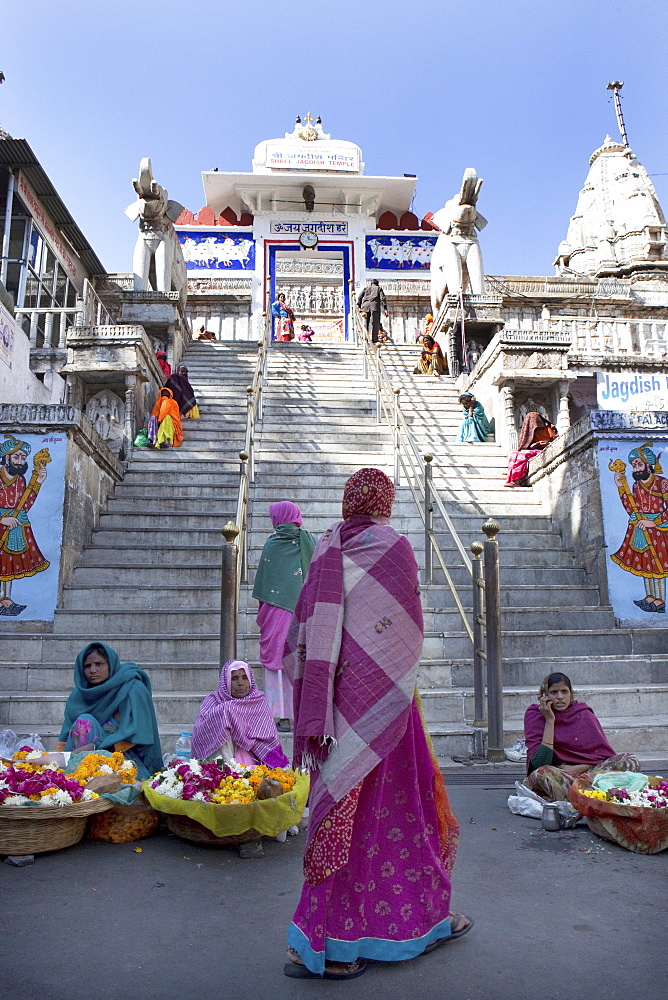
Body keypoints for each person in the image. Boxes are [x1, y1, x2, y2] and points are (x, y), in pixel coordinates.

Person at [283, 468, 470, 981]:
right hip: (387, 711)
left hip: (334, 717)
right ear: (385, 503)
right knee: (407, 815)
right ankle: (420, 922)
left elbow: (301, 634)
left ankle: (324, 943)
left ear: (347, 503)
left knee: (340, 818)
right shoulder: (395, 548)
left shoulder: (323, 547)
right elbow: (406, 629)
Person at [524, 672, 639, 801]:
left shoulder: (582, 713)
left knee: (629, 760)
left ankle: (579, 794)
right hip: (558, 774)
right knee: (542, 774)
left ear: (571, 694)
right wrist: (550, 720)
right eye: (554, 692)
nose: (560, 697)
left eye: (564, 691)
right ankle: (594, 795)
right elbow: (540, 764)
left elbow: (603, 756)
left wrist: (579, 768)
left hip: (587, 772)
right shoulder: (535, 715)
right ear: (545, 695)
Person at [56, 642, 163, 781]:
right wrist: (56, 762)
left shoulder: (131, 686)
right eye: (87, 666)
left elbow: (138, 732)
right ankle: (79, 779)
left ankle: (85, 779)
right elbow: (66, 734)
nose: (92, 670)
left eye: (98, 664)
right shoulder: (79, 695)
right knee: (84, 720)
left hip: (123, 757)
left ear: (110, 665)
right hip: (84, 756)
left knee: (86, 721)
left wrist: (96, 746)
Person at [252, 501, 316, 730]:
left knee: (275, 664)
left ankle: (276, 715)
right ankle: (299, 714)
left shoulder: (272, 544)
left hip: (273, 613)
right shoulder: (308, 541)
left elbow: (264, 584)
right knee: (295, 661)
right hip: (299, 612)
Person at [191, 659, 290, 768]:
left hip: (254, 758)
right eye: (234, 679)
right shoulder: (213, 700)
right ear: (226, 681)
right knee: (222, 717)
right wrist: (227, 711)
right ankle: (223, 770)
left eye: (244, 678)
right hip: (223, 757)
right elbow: (201, 730)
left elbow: (267, 738)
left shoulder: (258, 701)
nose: (240, 683)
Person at [610, 443, 668, 613]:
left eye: (639, 464)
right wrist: (621, 486)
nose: (636, 468)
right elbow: (631, 507)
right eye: (634, 465)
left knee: (658, 565)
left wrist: (654, 522)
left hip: (659, 528)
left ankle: (660, 600)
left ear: (649, 465)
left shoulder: (662, 483)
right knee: (646, 564)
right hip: (640, 527)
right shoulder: (635, 485)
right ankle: (650, 597)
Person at [0, 436, 49, 617]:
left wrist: (38, 482)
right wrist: (2, 519)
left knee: (7, 565)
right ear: (6, 458)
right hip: (3, 524)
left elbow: (24, 505)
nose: (20, 461)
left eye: (22, 458)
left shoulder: (20, 480)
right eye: (16, 457)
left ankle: (5, 600)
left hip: (15, 526)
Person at [504, 410, 557, 486]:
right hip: (533, 450)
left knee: (523, 455)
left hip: (544, 450)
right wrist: (533, 445)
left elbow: (556, 442)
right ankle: (511, 479)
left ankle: (517, 480)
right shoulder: (529, 431)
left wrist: (547, 444)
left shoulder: (548, 429)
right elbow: (527, 444)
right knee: (514, 454)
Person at [357, 278, 388, 343]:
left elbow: (360, 296)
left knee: (365, 323)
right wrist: (385, 308)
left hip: (365, 307)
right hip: (375, 307)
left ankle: (365, 338)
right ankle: (374, 339)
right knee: (375, 323)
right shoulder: (379, 288)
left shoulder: (366, 288)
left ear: (371, 284)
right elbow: (383, 298)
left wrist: (359, 305)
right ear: (377, 284)